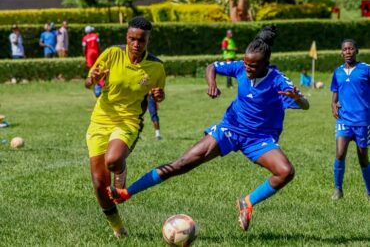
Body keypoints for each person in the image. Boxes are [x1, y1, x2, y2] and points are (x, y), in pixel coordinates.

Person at [108, 25, 310, 231]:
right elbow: (211, 66)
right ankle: (127, 192)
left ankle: (247, 202)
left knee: (285, 172)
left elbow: (306, 105)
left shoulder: (278, 80)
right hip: (230, 129)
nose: (247, 69)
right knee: (183, 163)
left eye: (253, 66)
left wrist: (298, 99)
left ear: (265, 64)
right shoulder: (241, 67)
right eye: (246, 64)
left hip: (259, 139)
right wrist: (211, 83)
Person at [84, 17, 166, 237]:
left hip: (129, 121)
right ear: (126, 38)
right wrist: (93, 79)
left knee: (113, 160)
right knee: (100, 183)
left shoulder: (156, 67)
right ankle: (118, 228)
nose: (136, 44)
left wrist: (160, 94)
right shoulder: (112, 54)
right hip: (100, 120)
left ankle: (120, 168)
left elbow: (159, 93)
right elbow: (88, 82)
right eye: (132, 39)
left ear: (148, 40)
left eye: (141, 40)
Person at [330, 39, 370, 201]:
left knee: (363, 158)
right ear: (341, 53)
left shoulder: (366, 69)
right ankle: (338, 190)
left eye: (351, 49)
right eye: (345, 49)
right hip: (344, 120)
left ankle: (369, 191)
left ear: (356, 51)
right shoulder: (337, 72)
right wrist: (333, 104)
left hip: (363, 121)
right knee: (340, 154)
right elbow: (335, 93)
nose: (348, 52)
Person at [82, 26, 102, 97]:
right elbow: (99, 45)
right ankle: (99, 83)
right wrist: (100, 52)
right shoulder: (96, 35)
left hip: (89, 53)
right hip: (96, 52)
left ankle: (93, 83)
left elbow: (84, 47)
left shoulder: (85, 38)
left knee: (91, 69)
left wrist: (84, 55)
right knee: (98, 68)